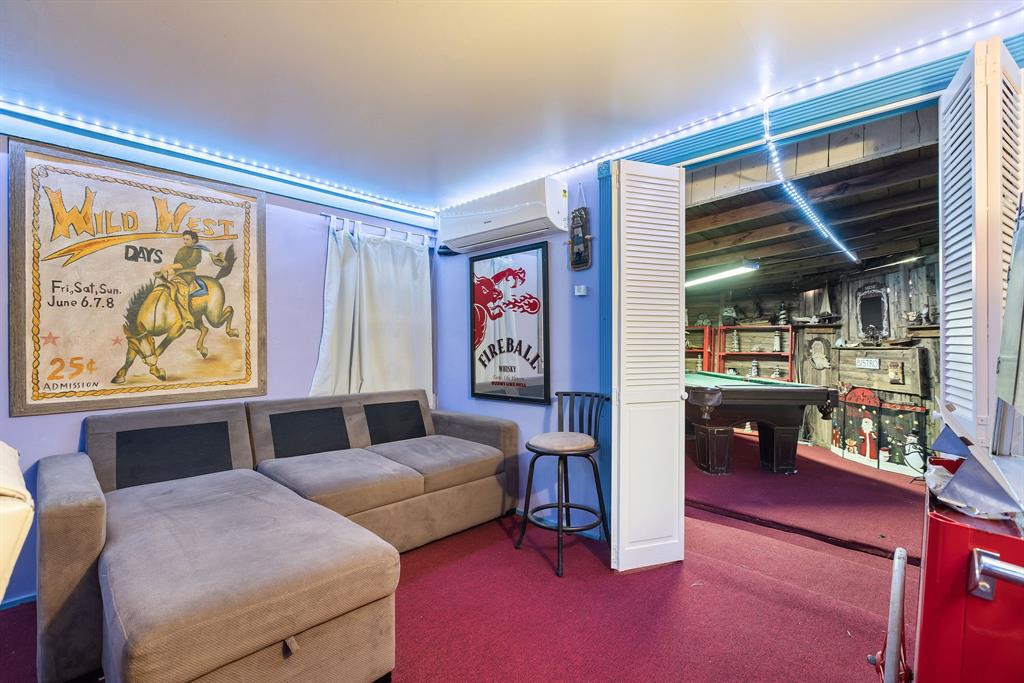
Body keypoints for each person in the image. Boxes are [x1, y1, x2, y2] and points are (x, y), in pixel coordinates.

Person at [158, 230, 207, 329]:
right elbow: (176, 267)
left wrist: (169, 266)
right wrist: (167, 273)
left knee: (180, 291)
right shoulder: (181, 250)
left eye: (187, 239)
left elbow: (190, 263)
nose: (185, 241)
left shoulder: (197, 249)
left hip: (188, 275)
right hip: (177, 275)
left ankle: (187, 319)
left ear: (194, 240)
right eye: (184, 239)